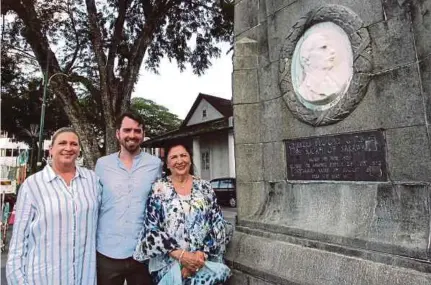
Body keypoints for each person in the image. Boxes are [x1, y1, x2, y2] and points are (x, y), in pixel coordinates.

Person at [6, 127, 101, 284]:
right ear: (51, 149)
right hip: (44, 278)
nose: (68, 148)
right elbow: (18, 241)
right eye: (62, 143)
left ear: (79, 149)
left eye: (73, 144)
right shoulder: (33, 185)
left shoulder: (92, 181)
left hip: (84, 278)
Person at [133, 143, 232, 285]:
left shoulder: (205, 187)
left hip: (203, 261)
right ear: (167, 164)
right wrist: (182, 257)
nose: (179, 161)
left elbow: (217, 224)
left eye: (183, 155)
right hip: (169, 263)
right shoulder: (158, 189)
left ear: (190, 160)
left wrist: (200, 255)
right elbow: (151, 230)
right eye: (174, 157)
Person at [95, 111, 162, 285]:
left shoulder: (155, 165)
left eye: (137, 131)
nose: (132, 135)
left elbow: (160, 205)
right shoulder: (102, 165)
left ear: (143, 134)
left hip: (143, 251)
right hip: (107, 251)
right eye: (127, 130)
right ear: (118, 133)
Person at [298, 32, 344, 104]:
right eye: (324, 47)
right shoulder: (304, 92)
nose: (332, 51)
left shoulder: (334, 84)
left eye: (330, 47)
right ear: (306, 59)